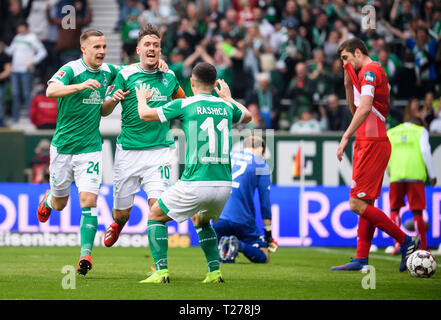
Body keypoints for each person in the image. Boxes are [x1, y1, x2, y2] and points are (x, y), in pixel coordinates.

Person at [134, 63, 251, 284]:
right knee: (201, 220)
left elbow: (144, 115)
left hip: (197, 181)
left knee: (155, 214)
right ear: (216, 84)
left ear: (192, 83)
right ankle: (214, 273)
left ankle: (160, 272)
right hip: (224, 184)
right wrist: (228, 97)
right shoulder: (226, 107)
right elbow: (248, 116)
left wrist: (141, 97)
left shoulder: (186, 104)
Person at [36, 29, 121, 276]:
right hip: (63, 147)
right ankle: (48, 199)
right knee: (60, 203)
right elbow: (51, 91)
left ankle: (85, 256)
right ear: (84, 49)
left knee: (89, 201)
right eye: (97, 47)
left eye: (104, 47)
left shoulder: (108, 72)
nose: (102, 52)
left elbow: (103, 111)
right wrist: (79, 86)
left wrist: (112, 100)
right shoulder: (72, 70)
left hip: (90, 148)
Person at [332, 38, 419, 272]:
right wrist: (348, 82)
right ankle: (361, 258)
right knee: (366, 202)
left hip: (373, 142)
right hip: (367, 141)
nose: (343, 63)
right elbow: (355, 110)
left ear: (358, 52)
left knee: (356, 203)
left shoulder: (371, 71)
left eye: (345, 58)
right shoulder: (362, 74)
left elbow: (367, 107)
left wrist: (345, 136)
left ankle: (405, 240)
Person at [101, 24, 185, 248]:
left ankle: (160, 266)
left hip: (160, 151)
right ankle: (118, 224)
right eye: (147, 44)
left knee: (157, 208)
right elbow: (104, 111)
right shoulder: (125, 75)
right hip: (128, 152)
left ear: (160, 50)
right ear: (138, 50)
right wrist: (112, 99)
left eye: (156, 45)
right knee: (120, 213)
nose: (152, 48)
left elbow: (182, 101)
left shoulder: (169, 76)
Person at [213, 136, 278, 264]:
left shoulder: (228, 156)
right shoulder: (261, 165)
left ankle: (228, 249)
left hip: (218, 218)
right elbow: (264, 204)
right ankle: (238, 245)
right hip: (242, 219)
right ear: (261, 149)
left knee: (224, 255)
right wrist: (268, 234)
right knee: (264, 256)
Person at [387, 117, 437, 253]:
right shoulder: (421, 131)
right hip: (415, 175)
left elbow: (386, 152)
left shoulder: (391, 132)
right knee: (417, 211)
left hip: (396, 175)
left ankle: (398, 244)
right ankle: (422, 247)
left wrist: (389, 170)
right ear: (419, 124)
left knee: (394, 210)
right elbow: (426, 151)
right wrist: (432, 174)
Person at [5, 21, 47, 123]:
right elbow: (10, 51)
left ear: (25, 27)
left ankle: (30, 118)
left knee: (26, 94)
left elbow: (43, 52)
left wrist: (33, 62)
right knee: (15, 94)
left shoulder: (32, 37)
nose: (18, 29)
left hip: (26, 71)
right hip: (15, 70)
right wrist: (3, 46)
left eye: (20, 27)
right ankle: (15, 118)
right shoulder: (17, 37)